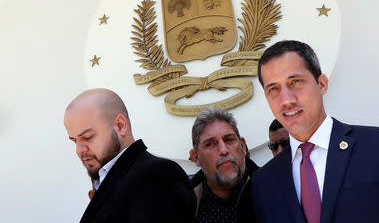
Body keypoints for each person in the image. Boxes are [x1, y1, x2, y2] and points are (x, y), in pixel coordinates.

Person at [252, 40, 379, 223]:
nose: (287, 99)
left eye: (295, 82)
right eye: (273, 89)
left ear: (322, 84)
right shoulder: (265, 182)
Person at [64, 88, 196, 223]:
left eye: (87, 137)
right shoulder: (110, 177)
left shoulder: (158, 174)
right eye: (74, 140)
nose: (79, 150)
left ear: (120, 126)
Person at [189, 107, 258, 223]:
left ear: (243, 146)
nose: (223, 150)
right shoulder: (182, 202)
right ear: (196, 157)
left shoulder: (272, 188)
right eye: (211, 144)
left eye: (229, 140)